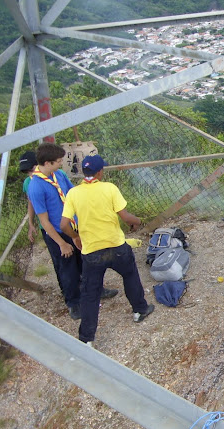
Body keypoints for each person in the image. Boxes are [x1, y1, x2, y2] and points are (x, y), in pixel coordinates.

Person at [60, 155, 153, 348]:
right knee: (130, 276)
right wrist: (137, 222)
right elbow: (126, 217)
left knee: (89, 293)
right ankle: (139, 310)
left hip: (92, 251)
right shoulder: (110, 188)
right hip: (116, 246)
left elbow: (63, 225)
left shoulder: (73, 193)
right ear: (100, 171)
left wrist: (76, 236)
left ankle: (87, 339)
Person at [27, 143, 85, 320]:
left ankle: (93, 289)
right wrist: (62, 243)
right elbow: (44, 221)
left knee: (84, 259)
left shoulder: (58, 174)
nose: (61, 164)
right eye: (58, 161)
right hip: (56, 232)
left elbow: (72, 193)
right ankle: (73, 302)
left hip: (72, 225)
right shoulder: (35, 186)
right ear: (47, 162)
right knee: (67, 268)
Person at [18, 151, 38, 243]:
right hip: (45, 226)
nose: (30, 174)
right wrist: (31, 223)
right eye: (27, 172)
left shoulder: (53, 176)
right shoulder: (27, 182)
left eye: (31, 169)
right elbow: (31, 202)